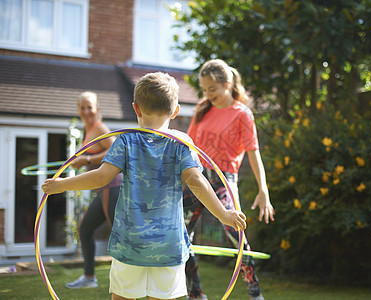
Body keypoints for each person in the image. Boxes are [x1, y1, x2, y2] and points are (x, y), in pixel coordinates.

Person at [42, 72, 247, 300]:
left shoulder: (126, 140)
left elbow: (101, 177)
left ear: (136, 109)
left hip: (130, 244)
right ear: (176, 110)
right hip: (168, 246)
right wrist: (223, 214)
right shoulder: (181, 143)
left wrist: (62, 184)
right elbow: (197, 182)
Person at [183, 59, 275, 300]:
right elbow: (187, 146)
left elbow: (254, 154)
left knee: (237, 234)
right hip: (196, 178)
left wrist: (263, 190)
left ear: (227, 84)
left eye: (212, 89)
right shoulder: (203, 109)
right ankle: (196, 294)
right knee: (180, 235)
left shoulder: (242, 114)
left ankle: (256, 296)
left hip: (225, 181)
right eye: (204, 89)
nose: (207, 94)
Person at [65, 91, 122, 289]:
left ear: (97, 109)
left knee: (119, 234)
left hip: (112, 187)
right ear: (78, 110)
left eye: (89, 107)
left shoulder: (100, 128)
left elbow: (115, 149)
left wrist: (87, 159)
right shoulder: (88, 130)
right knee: (85, 229)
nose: (86, 111)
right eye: (82, 107)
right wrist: (80, 162)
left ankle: (130, 280)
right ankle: (89, 278)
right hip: (103, 189)